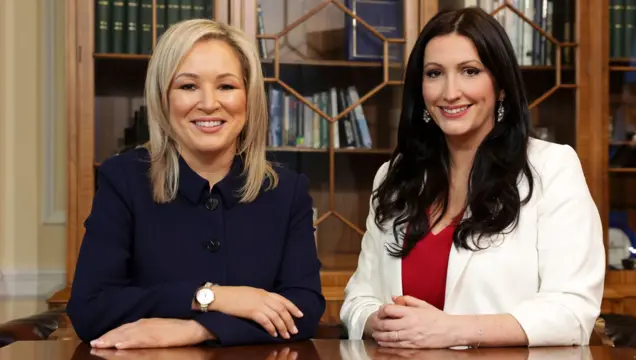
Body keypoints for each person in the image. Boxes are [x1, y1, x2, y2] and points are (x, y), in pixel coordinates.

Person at [339, 7, 605, 349]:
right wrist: (376, 321)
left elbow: (572, 311)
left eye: (470, 71)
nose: (450, 92)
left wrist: (452, 330)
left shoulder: (552, 168)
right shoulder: (393, 176)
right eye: (434, 73)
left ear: (502, 86)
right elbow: (358, 297)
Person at [66, 19, 325, 348]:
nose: (208, 103)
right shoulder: (123, 180)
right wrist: (213, 298)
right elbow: (91, 309)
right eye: (188, 86)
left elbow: (303, 311)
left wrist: (200, 329)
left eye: (226, 86)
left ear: (249, 97)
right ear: (164, 98)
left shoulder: (287, 190)